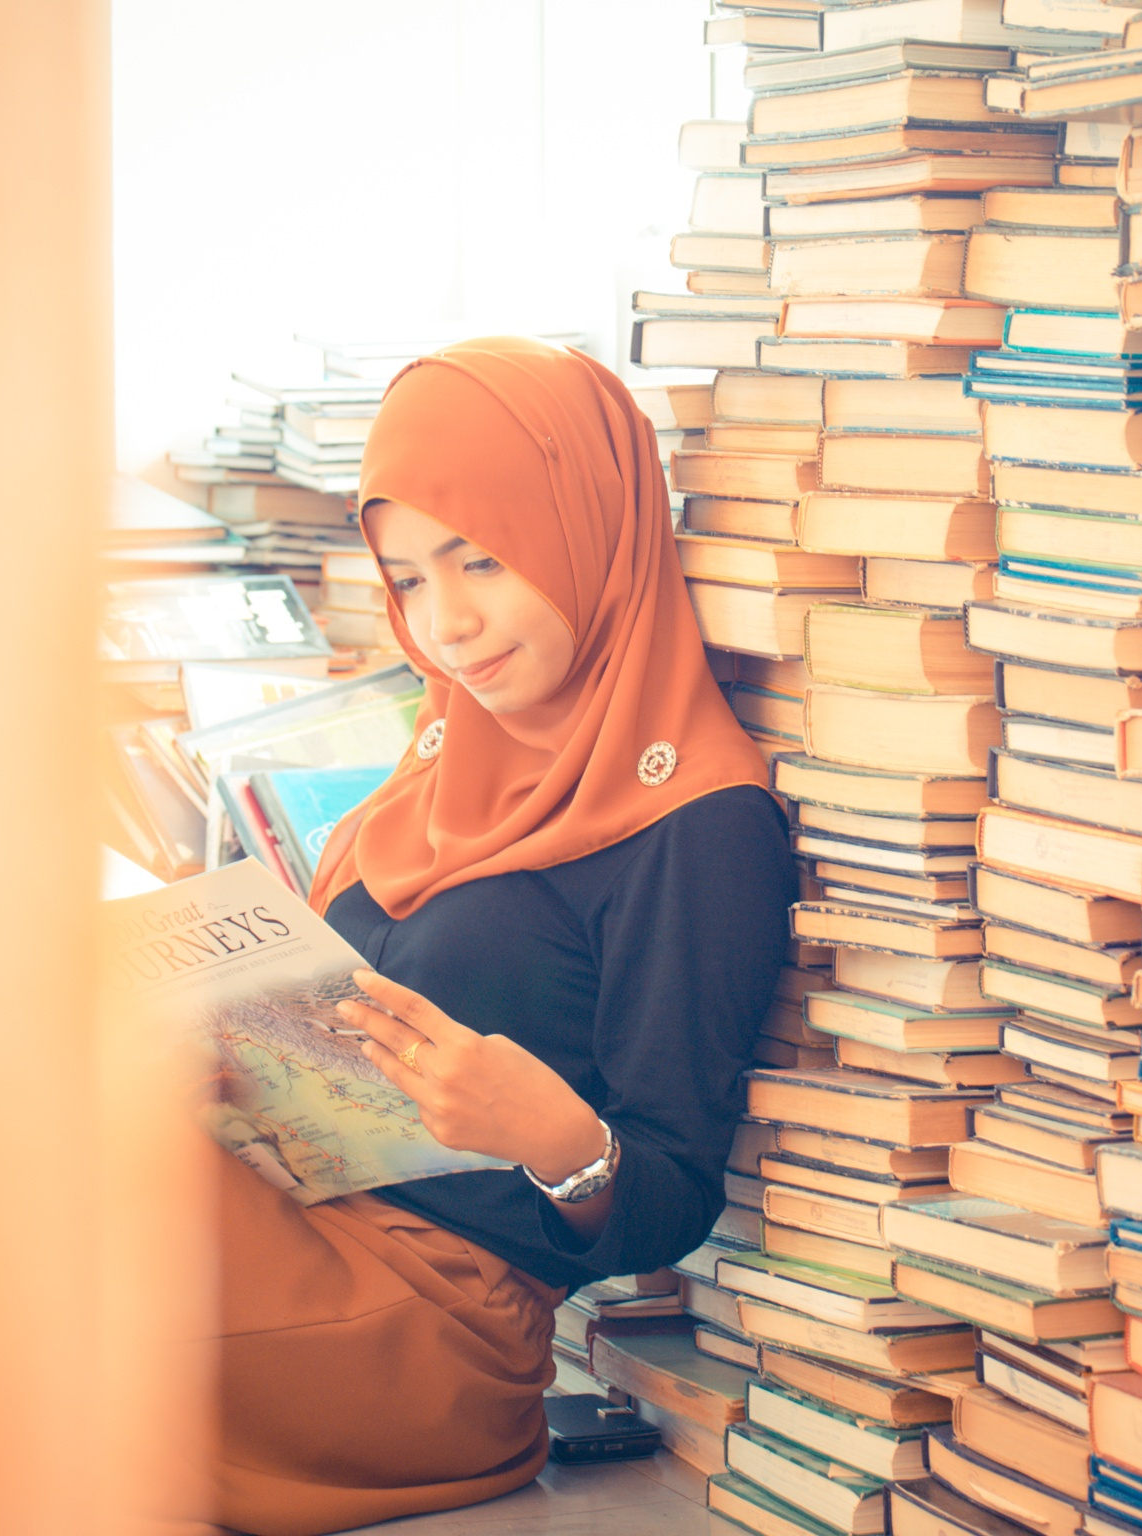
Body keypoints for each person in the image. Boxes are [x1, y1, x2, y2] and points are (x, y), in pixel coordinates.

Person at [212, 336, 798, 1536]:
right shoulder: (436, 765)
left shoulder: (697, 822)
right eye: (410, 579)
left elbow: (669, 1189)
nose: (449, 626)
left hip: (434, 1326)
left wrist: (554, 1137)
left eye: (480, 558)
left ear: (589, 527)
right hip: (291, 1227)